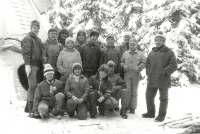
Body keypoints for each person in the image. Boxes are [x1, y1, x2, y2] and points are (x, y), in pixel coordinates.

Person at [142, 31, 177, 122]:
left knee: (163, 98)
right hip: (152, 78)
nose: (157, 42)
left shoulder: (169, 52)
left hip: (163, 79)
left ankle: (161, 115)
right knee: (148, 96)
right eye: (156, 40)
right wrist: (148, 72)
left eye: (160, 40)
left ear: (163, 41)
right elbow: (147, 63)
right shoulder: (152, 52)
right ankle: (151, 112)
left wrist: (164, 72)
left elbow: (174, 65)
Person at [21, 20, 43, 116]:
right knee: (32, 87)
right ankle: (30, 109)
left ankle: (35, 107)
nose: (36, 29)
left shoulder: (38, 39)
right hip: (32, 65)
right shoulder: (27, 38)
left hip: (38, 65)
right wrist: (27, 65)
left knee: (37, 86)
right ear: (31, 28)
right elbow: (26, 53)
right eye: (34, 27)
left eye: (38, 28)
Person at [121, 38, 146, 114]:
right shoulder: (125, 53)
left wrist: (139, 68)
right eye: (130, 45)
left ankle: (133, 108)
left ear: (136, 45)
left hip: (136, 74)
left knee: (134, 91)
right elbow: (121, 61)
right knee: (127, 91)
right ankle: (126, 106)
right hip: (127, 74)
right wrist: (123, 66)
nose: (132, 46)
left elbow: (144, 62)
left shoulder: (140, 54)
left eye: (133, 44)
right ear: (129, 45)